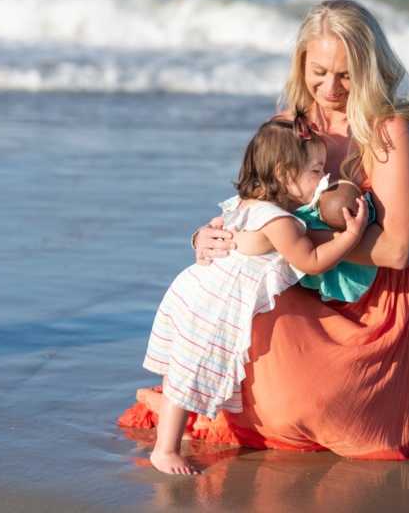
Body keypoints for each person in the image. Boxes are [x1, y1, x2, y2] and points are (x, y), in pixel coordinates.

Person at [120, 0, 409, 460]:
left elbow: (400, 249)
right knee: (222, 303)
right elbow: (252, 203)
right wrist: (208, 236)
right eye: (319, 71)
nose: (330, 87)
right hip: (301, 284)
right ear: (301, 64)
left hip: (378, 308)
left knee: (331, 411)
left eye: (345, 73)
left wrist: (280, 240)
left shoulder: (388, 130)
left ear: (369, 67)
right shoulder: (285, 129)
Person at [143, 113, 368, 474]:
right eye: (315, 170)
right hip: (216, 303)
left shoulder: (244, 205)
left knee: (183, 367)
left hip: (198, 287)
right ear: (282, 173)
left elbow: (217, 227)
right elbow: (310, 261)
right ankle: (164, 450)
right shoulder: (278, 222)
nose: (323, 179)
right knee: (190, 370)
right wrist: (350, 238)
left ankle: (175, 430)